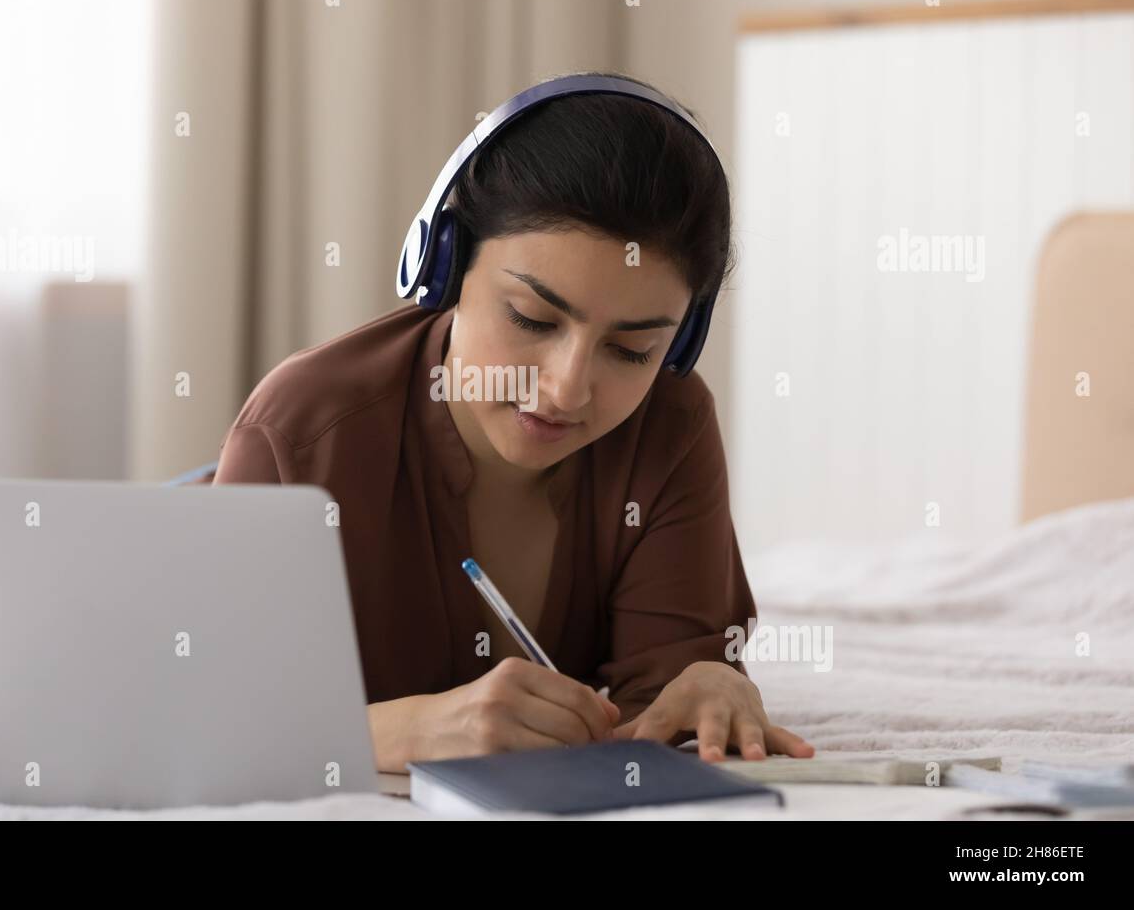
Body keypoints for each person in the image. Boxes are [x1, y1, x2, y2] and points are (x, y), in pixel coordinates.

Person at [213, 71, 814, 772]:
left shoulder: (670, 424)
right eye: (531, 318)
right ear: (444, 266)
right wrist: (402, 732)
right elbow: (214, 718)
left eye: (632, 350)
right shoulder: (300, 432)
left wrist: (709, 684)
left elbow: (665, 698)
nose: (565, 391)